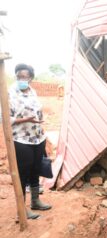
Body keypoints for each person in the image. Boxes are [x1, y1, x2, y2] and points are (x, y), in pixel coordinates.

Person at [9, 63, 52, 219]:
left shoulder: (32, 91)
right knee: (23, 173)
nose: (22, 79)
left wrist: (41, 122)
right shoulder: (9, 93)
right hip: (21, 139)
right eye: (19, 76)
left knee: (35, 168)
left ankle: (35, 201)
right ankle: (22, 208)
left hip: (37, 137)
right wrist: (24, 120)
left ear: (31, 78)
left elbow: (37, 111)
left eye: (25, 77)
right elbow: (4, 118)